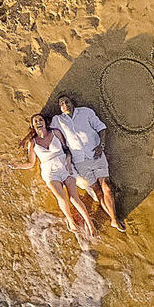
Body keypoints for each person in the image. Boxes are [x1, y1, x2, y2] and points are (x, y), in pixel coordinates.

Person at [6, 113, 95, 242]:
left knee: (74, 198)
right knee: (62, 198)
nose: (38, 122)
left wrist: (69, 164)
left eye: (40, 119)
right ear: (33, 126)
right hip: (50, 173)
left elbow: (67, 150)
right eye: (35, 121)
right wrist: (17, 166)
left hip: (65, 167)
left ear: (45, 122)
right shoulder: (33, 142)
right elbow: (31, 163)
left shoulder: (56, 133)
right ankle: (70, 220)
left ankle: (89, 223)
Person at [51, 95, 125, 232]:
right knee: (98, 191)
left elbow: (101, 127)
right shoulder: (58, 120)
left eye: (66, 101)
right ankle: (113, 219)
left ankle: (114, 219)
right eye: (61, 104)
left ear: (72, 102)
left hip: (96, 154)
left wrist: (101, 145)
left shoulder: (86, 112)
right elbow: (45, 131)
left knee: (107, 187)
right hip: (79, 161)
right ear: (60, 108)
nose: (64, 105)